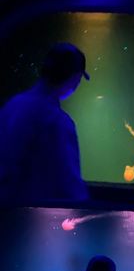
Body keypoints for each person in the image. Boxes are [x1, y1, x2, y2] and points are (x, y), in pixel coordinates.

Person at [0, 42, 89, 204]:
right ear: (75, 78)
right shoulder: (57, 121)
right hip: (32, 219)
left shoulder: (12, 105)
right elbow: (70, 187)